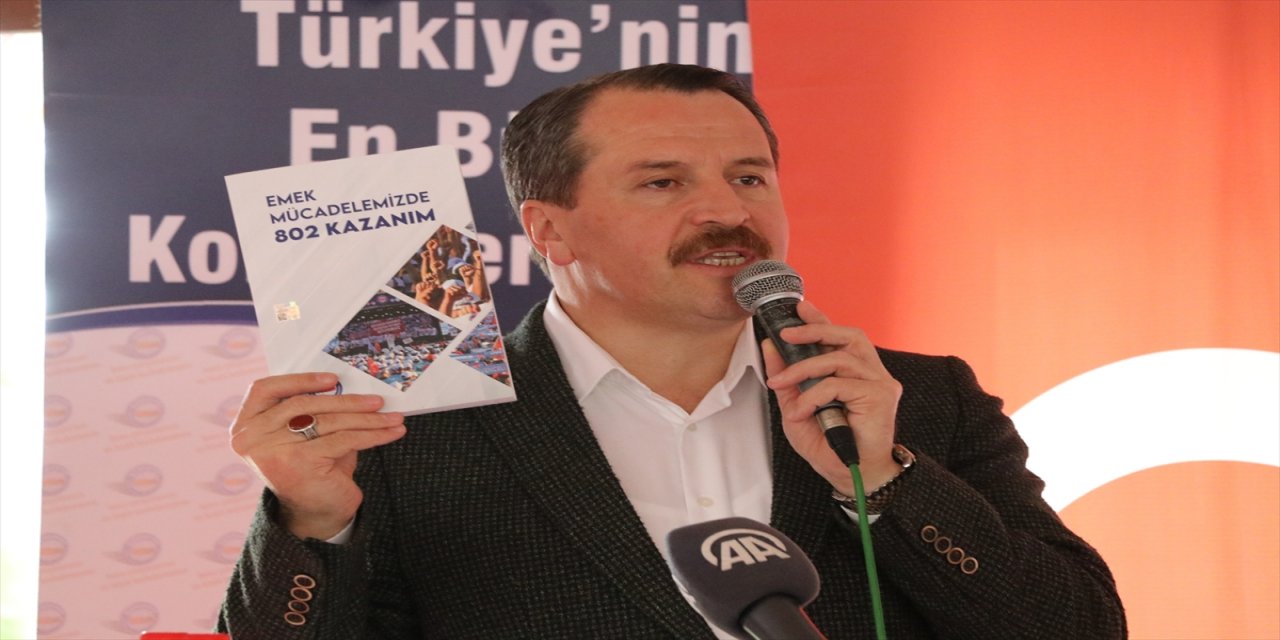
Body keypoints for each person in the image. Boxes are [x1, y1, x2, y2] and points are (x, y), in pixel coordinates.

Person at [218, 64, 1125, 639]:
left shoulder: (914, 400)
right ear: (550, 229)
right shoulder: (408, 420)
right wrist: (310, 523)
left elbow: (1081, 630)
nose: (727, 211)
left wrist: (886, 481)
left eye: (749, 176)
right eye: (663, 182)